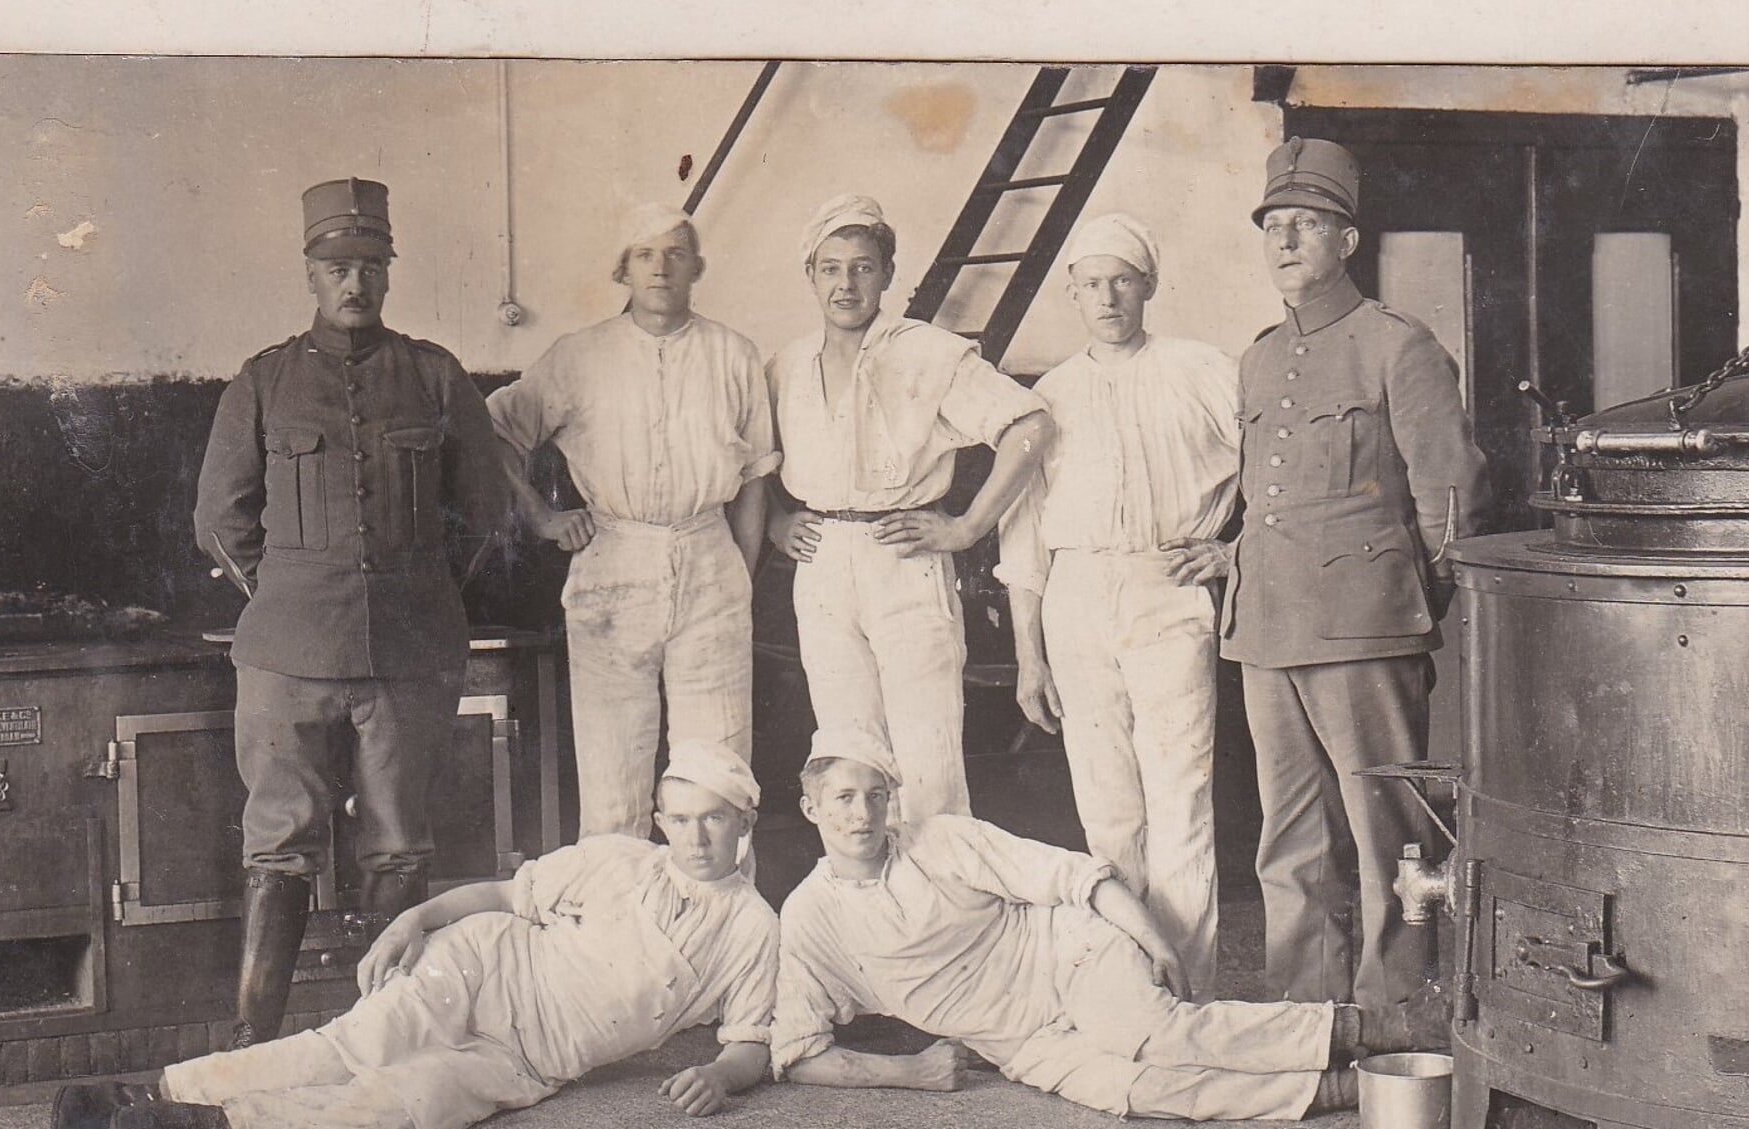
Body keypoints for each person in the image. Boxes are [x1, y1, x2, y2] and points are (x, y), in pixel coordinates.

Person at [52, 742, 778, 1129]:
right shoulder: (617, 859)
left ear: (744, 821)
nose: (696, 835)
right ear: (660, 821)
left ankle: (205, 1123)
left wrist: (718, 1076)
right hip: (481, 965)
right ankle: (144, 1089)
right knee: (353, 1046)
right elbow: (502, 894)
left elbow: (749, 1039)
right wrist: (414, 919)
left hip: (531, 1056)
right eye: (680, 818)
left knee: (408, 1103)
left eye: (714, 817)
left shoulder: (751, 926)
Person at [193, 178, 509, 1049]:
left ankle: (386, 1035)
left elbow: (484, 513)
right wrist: (290, 592)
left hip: (409, 651)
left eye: (371, 265)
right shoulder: (263, 381)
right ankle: (253, 1040)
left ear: (388, 271)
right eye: (338, 265)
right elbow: (219, 518)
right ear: (310, 272)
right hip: (286, 653)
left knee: (399, 848)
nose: (355, 282)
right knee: (278, 845)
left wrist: (426, 587)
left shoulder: (437, 376)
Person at [772, 726, 1409, 1121]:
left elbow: (1078, 877)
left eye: (875, 797)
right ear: (810, 809)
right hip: (1021, 1043)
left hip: (1068, 956)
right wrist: (909, 1074)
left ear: (891, 801)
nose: (862, 817)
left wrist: (1153, 936)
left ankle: (1379, 1029)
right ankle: (1342, 1093)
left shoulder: (940, 839)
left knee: (1150, 1032)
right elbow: (797, 1053)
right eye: (843, 800)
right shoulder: (809, 917)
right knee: (1143, 1091)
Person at [1221, 138, 1492, 1022]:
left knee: (1392, 835)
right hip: (1265, 626)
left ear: (1347, 240)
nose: (1286, 239)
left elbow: (1450, 494)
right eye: (1274, 226)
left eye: (1307, 224)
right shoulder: (1259, 357)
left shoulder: (1394, 346)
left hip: (1367, 628)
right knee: (1288, 839)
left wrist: (1412, 603)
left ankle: (1398, 1013)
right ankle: (1306, 1014)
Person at [996, 212, 1240, 1003]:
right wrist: (1030, 655)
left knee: (1181, 796)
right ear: (1072, 294)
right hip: (1075, 596)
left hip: (1166, 586)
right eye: (1092, 283)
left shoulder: (1201, 369)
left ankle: (1190, 991)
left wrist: (1235, 552)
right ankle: (1132, 982)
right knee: (1106, 805)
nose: (1108, 297)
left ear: (1149, 287)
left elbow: (1278, 471)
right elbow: (1025, 536)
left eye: (1122, 281)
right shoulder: (1049, 396)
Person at [487, 203, 776, 841]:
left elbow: (756, 479)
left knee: (719, 774)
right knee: (614, 779)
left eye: (676, 253)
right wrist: (541, 517)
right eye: (645, 255)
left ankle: (716, 930)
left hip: (711, 562)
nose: (661, 268)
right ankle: (618, 932)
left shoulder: (734, 354)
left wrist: (739, 575)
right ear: (623, 270)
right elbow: (493, 434)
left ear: (697, 268)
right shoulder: (579, 355)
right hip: (613, 562)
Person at [765, 194, 1054, 822]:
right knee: (847, 753)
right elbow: (750, 461)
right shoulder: (784, 365)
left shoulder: (929, 352)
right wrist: (775, 520)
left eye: (863, 267)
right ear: (811, 276)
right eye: (831, 267)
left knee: (927, 761)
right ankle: (870, 910)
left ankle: (943, 912)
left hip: (905, 557)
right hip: (821, 566)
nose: (846, 283)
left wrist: (968, 527)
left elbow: (1031, 424)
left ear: (888, 274)